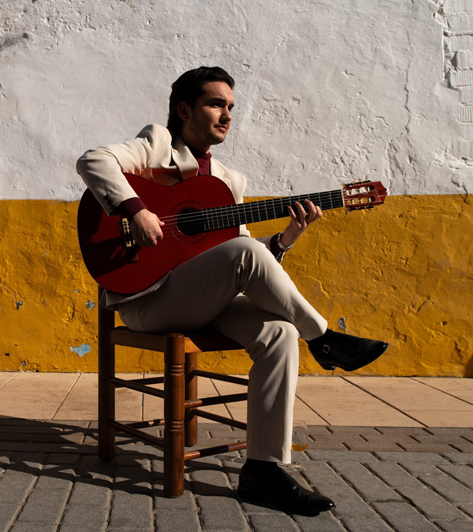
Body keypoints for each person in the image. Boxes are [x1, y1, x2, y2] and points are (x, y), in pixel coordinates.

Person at [76, 66, 388, 515]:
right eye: (216, 104)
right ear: (185, 110)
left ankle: (263, 470)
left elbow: (240, 257)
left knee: (279, 333)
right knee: (246, 254)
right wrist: (137, 209)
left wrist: (284, 240)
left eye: (231, 108)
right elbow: (93, 161)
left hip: (201, 299)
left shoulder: (227, 180)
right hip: (147, 299)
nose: (226, 115)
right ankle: (324, 338)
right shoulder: (157, 144)